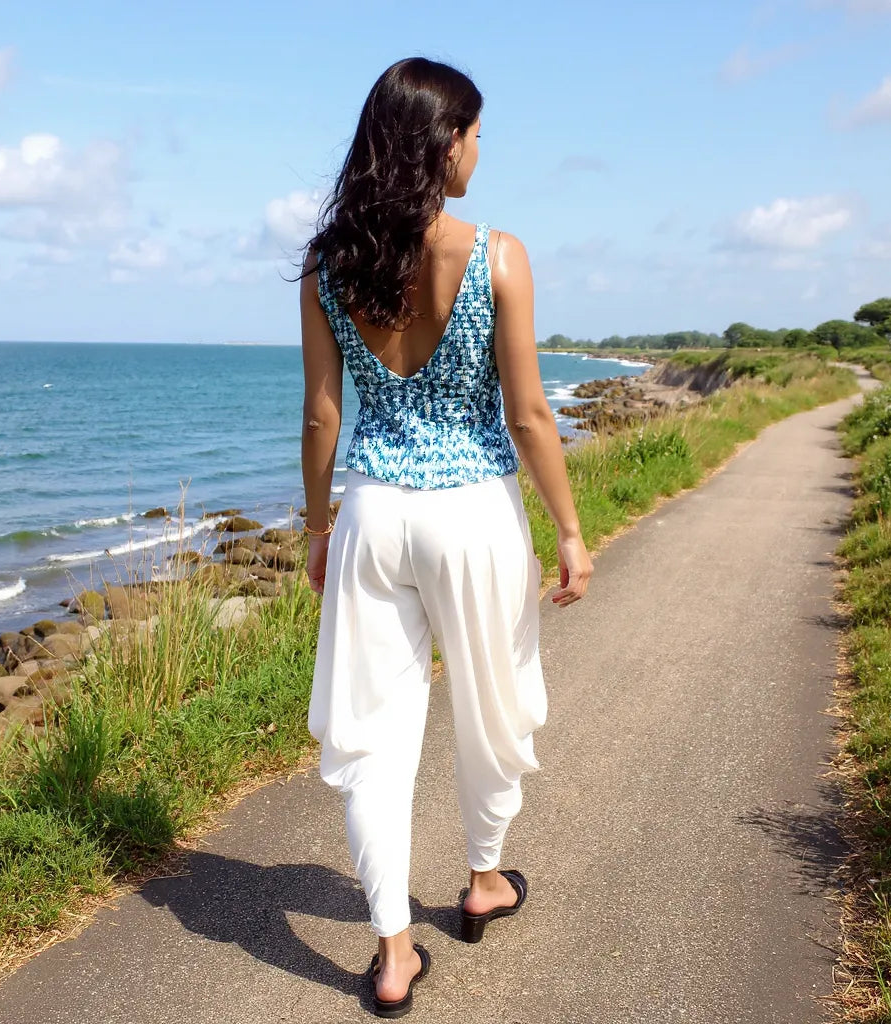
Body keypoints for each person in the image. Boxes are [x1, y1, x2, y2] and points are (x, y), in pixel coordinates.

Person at [296, 56, 592, 1018]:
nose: (478, 148)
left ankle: (390, 951)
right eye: (471, 131)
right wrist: (572, 532)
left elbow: (320, 420)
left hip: (374, 514)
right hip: (473, 515)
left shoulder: (330, 267)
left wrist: (315, 529)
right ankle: (482, 880)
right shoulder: (499, 254)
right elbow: (531, 415)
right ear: (438, 143)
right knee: (489, 704)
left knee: (376, 736)